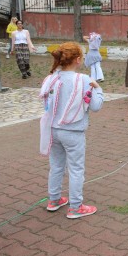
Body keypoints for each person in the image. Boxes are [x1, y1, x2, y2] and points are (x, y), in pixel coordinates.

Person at [40, 42, 104, 219]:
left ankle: (54, 199)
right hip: (73, 131)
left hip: (53, 129)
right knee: (76, 169)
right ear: (77, 60)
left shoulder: (50, 78)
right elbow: (96, 106)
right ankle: (76, 206)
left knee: (56, 166)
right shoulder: (83, 80)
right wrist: (98, 89)